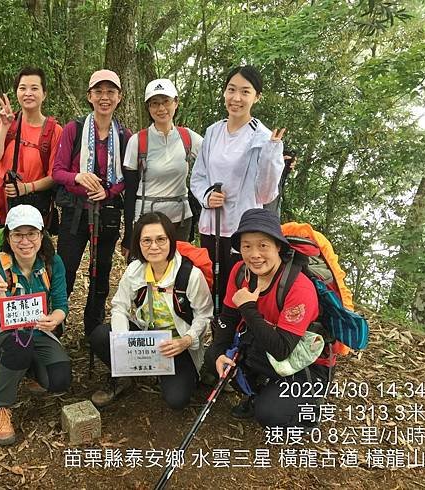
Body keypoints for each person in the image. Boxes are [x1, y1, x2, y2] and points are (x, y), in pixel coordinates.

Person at [206, 208, 330, 427]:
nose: (254, 254)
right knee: (211, 358)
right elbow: (227, 321)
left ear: (278, 247)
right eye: (247, 246)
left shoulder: (298, 287)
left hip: (305, 360)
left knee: (270, 415)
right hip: (261, 346)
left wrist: (248, 308)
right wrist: (217, 355)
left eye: (263, 245)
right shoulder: (239, 272)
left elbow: (282, 349)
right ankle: (260, 391)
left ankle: (307, 405)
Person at [89, 212, 213, 408]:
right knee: (100, 335)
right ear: (138, 243)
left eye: (161, 239)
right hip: (143, 339)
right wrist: (123, 340)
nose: (154, 247)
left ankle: (172, 373)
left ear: (171, 241)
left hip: (175, 344)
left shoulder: (190, 275)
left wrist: (186, 340)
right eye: (146, 240)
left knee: (177, 400)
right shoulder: (135, 270)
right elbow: (119, 306)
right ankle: (123, 376)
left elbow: (204, 315)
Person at [190, 65, 286, 314]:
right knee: (211, 284)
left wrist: (272, 153)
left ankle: (235, 342)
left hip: (242, 229)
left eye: (245, 92)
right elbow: (198, 177)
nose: (236, 98)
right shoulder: (213, 131)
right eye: (231, 90)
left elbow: (266, 193)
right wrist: (207, 196)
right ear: (224, 92)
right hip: (212, 224)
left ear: (257, 97)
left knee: (238, 289)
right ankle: (212, 335)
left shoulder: (263, 138)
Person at [0, 205, 70, 446]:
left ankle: (28, 371)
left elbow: (61, 302)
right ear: (8, 238)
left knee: (59, 380)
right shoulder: (0, 267)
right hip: (6, 336)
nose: (25, 241)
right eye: (18, 234)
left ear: (41, 236)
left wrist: (57, 318)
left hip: (40, 331)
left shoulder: (53, 263)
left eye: (31, 233)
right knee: (19, 347)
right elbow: (0, 317)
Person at [52, 69, 130, 338]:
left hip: (107, 214)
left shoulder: (124, 135)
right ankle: (55, 326)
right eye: (99, 92)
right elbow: (58, 172)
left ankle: (93, 330)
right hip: (75, 212)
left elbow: (127, 179)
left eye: (110, 92)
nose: (104, 97)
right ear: (89, 96)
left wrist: (108, 192)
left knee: (101, 272)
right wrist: (78, 177)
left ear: (119, 97)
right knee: (65, 268)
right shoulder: (74, 129)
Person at [121, 78, 203, 255]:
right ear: (148, 108)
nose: (161, 108)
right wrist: (128, 235)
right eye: (155, 103)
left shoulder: (187, 137)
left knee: (177, 273)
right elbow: (130, 192)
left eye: (166, 101)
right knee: (145, 276)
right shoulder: (138, 141)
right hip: (146, 221)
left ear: (176, 102)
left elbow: (215, 158)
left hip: (180, 220)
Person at [0, 66, 63, 232]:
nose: (28, 93)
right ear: (17, 93)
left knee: (29, 254)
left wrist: (26, 187)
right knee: (0, 257)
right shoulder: (7, 121)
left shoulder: (54, 131)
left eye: (34, 88)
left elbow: (54, 176)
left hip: (33, 210)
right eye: (22, 88)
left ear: (44, 94)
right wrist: (4, 126)